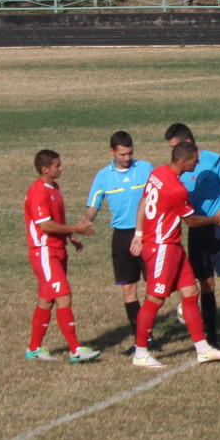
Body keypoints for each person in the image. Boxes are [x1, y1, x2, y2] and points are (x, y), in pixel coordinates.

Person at [130, 142, 220, 369]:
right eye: (194, 161)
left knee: (190, 292)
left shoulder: (158, 173)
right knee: (155, 298)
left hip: (172, 246)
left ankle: (203, 349)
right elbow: (192, 221)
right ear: (183, 162)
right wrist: (216, 219)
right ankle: (140, 352)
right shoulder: (176, 189)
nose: (197, 164)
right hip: (161, 247)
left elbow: (146, 201)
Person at [166, 123, 220, 354]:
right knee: (206, 286)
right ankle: (212, 339)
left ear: (189, 143)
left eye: (176, 147)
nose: (173, 154)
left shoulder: (215, 162)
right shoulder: (178, 169)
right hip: (197, 231)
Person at [23, 149, 101, 362]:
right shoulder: (38, 192)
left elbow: (56, 218)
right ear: (45, 169)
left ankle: (33, 349)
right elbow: (45, 224)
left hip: (57, 250)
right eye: (57, 165)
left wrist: (71, 235)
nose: (62, 168)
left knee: (47, 300)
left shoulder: (53, 187)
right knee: (63, 295)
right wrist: (73, 228)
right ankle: (75, 349)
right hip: (44, 252)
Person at [83, 131, 153, 340]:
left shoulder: (146, 169)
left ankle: (148, 329)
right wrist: (85, 223)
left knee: (155, 286)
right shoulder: (103, 176)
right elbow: (93, 206)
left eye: (130, 153)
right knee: (128, 289)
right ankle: (142, 337)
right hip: (122, 236)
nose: (127, 158)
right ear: (111, 152)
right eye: (122, 154)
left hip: (146, 233)